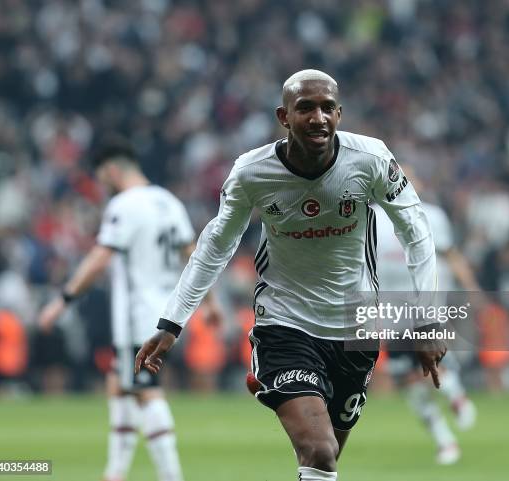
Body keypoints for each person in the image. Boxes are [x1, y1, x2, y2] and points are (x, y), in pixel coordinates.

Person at [135, 69, 445, 481]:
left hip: (356, 332)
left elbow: (417, 232)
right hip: (286, 325)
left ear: (340, 113)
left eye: (328, 108)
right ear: (284, 117)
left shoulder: (371, 159)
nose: (318, 117)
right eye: (306, 108)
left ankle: (272, 387)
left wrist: (427, 318)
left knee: (326, 458)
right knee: (320, 452)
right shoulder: (251, 173)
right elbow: (215, 246)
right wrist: (171, 323)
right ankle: (275, 377)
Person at [38, 138, 219, 481]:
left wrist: (62, 301)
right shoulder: (169, 202)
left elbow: (99, 258)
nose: (101, 184)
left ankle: (171, 475)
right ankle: (115, 472)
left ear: (111, 170)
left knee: (145, 390)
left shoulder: (125, 204)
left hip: (139, 317)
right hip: (168, 313)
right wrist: (209, 303)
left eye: (101, 177)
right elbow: (194, 257)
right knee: (118, 383)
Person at [374, 179, 478, 465]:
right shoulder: (371, 217)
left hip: (425, 303)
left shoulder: (431, 214)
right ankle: (445, 440)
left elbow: (449, 253)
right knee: (407, 380)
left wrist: (471, 287)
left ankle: (455, 395)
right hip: (390, 310)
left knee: (433, 364)